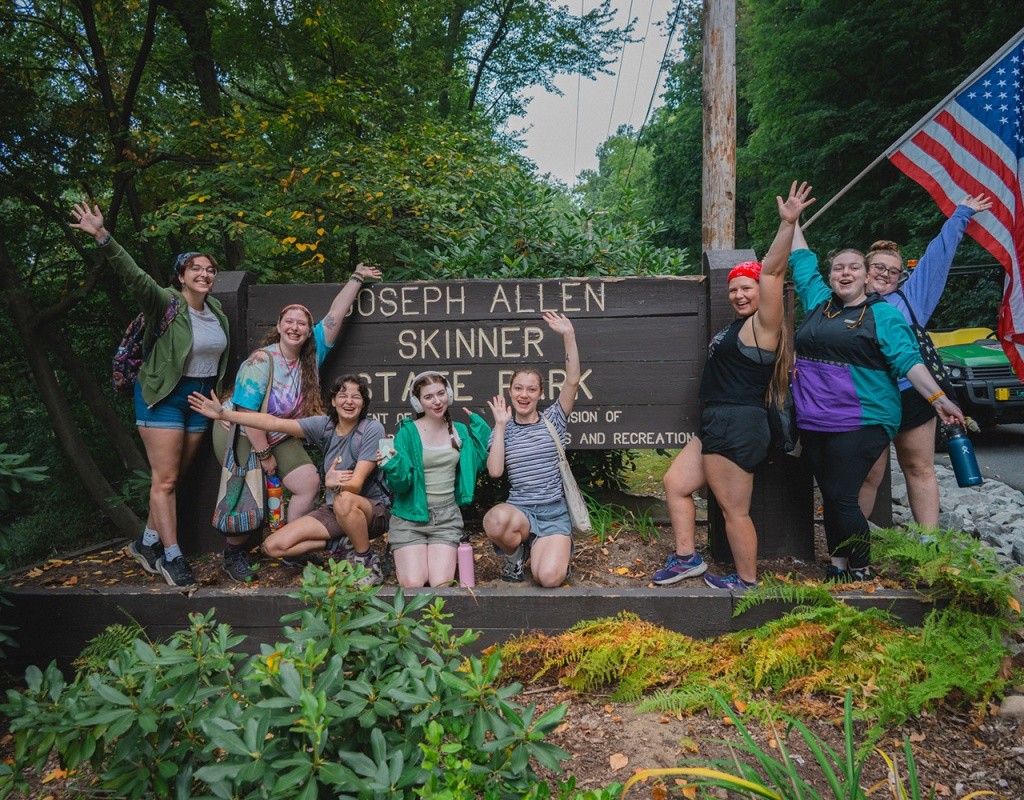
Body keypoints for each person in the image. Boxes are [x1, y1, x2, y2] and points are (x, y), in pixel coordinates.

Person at [653, 182, 814, 591]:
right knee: (676, 483)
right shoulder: (735, 328)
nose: (740, 294)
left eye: (748, 288)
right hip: (716, 421)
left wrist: (787, 224)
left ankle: (747, 582)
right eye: (734, 289)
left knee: (733, 510)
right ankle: (687, 559)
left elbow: (775, 271)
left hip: (737, 423)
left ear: (760, 293)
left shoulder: (764, 328)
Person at [789, 223, 965, 582]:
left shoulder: (883, 315)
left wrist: (938, 398)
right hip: (816, 420)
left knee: (841, 495)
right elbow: (802, 262)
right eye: (839, 267)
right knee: (832, 493)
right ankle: (839, 565)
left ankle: (860, 568)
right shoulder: (819, 304)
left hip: (864, 418)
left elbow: (908, 360)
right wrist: (790, 221)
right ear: (831, 275)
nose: (845, 272)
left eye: (854, 267)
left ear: (867, 277)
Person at [70, 202, 230, 588]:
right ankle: (170, 558)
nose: (205, 274)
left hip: (199, 400)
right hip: (162, 396)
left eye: (210, 269)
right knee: (166, 479)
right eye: (196, 268)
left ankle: (146, 542)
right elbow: (132, 274)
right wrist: (102, 236)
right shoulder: (165, 303)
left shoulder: (218, 312)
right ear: (181, 276)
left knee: (173, 477)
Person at [213, 262, 381, 581]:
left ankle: (290, 547)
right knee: (248, 486)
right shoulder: (262, 360)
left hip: (277, 432)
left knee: (307, 483)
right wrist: (264, 457)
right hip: (241, 431)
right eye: (288, 321)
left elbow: (335, 314)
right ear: (278, 325)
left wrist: (357, 277)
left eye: (301, 323)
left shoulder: (310, 356)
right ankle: (233, 552)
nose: (295, 327)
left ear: (307, 329)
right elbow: (248, 416)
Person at [858, 194, 994, 528]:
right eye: (878, 267)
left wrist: (961, 214)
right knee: (866, 475)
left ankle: (929, 545)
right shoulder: (845, 299)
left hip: (911, 393)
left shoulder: (911, 297)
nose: (886, 274)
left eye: (894, 270)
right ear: (863, 268)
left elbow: (938, 257)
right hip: (866, 397)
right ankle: (851, 550)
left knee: (919, 467)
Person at [189, 375, 390, 585]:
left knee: (345, 500)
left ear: (363, 403)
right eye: (343, 395)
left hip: (371, 510)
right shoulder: (325, 426)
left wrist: (332, 482)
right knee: (273, 546)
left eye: (356, 397)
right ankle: (340, 544)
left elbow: (356, 484)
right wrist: (225, 413)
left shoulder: (371, 429)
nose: (349, 401)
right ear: (333, 401)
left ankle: (366, 560)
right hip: (335, 510)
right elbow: (274, 422)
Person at [483, 312, 581, 587]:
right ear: (510, 391)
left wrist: (568, 336)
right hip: (521, 512)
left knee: (547, 578)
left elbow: (572, 380)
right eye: (518, 388)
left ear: (540, 393)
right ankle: (515, 556)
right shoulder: (502, 428)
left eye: (531, 389)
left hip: (553, 513)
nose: (523, 394)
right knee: (494, 519)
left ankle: (551, 552)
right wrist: (501, 426)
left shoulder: (555, 418)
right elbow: (495, 471)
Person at [378, 371, 490, 588]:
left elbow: (476, 465)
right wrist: (390, 465)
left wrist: (481, 431)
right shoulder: (407, 433)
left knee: (441, 584)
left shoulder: (459, 431)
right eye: (428, 397)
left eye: (441, 394)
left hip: (446, 517)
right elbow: (401, 485)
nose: (437, 401)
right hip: (410, 517)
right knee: (414, 583)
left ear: (448, 393)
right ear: (418, 402)